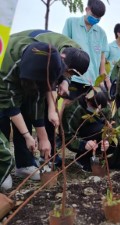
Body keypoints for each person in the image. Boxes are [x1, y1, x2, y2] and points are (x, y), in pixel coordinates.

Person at [8, 29, 90, 169]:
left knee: (48, 116)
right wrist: (51, 110)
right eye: (68, 73)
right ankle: (25, 162)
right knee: (26, 110)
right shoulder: (45, 53)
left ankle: (48, 154)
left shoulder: (76, 53)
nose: (68, 75)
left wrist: (65, 81)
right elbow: (45, 84)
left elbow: (60, 74)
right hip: (21, 66)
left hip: (41, 71)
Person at [0, 43, 69, 189]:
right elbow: (11, 107)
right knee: (2, 120)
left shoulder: (46, 58)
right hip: (3, 88)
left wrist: (43, 138)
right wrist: (27, 135)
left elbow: (37, 101)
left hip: (20, 84)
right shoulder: (8, 66)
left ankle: (24, 165)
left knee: (26, 112)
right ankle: (2, 167)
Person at [62, 0, 108, 99]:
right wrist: (63, 77)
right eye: (93, 15)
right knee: (67, 106)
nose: (95, 18)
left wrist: (102, 81)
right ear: (87, 9)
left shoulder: (101, 34)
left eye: (98, 17)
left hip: (92, 81)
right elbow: (64, 48)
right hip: (73, 77)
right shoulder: (71, 23)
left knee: (87, 110)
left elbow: (102, 59)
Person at [62, 88, 111, 171]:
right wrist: (83, 144)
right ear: (86, 99)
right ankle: (82, 158)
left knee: (104, 130)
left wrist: (107, 138)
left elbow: (109, 120)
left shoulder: (102, 105)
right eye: (94, 107)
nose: (96, 110)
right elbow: (68, 136)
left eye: (99, 108)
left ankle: (98, 155)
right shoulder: (73, 110)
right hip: (80, 136)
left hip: (95, 129)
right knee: (100, 129)